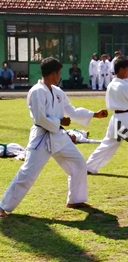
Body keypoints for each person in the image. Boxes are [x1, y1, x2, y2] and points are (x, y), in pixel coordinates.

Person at [0, 57, 108, 218]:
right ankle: (3, 207)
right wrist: (59, 121)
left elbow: (71, 110)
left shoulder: (57, 92)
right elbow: (40, 118)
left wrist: (94, 114)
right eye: (59, 73)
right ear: (52, 74)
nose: (60, 76)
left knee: (78, 163)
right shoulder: (36, 91)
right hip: (42, 137)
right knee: (28, 173)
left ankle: (75, 199)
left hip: (59, 137)